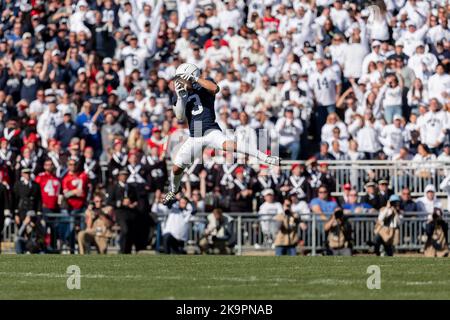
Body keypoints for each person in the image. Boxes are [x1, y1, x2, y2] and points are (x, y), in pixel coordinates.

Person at [164, 63, 279, 205]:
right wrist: (181, 98)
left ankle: (264, 157)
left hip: (210, 130)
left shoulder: (203, 85)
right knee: (176, 168)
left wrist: (195, 79)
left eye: (181, 78)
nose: (178, 82)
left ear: (189, 75)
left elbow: (215, 88)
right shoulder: (180, 94)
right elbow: (180, 117)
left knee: (230, 145)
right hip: (195, 136)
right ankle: (174, 190)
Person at [106, 169, 139, 254]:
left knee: (131, 232)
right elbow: (109, 201)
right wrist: (121, 203)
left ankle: (128, 251)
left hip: (131, 212)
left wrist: (134, 203)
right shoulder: (113, 187)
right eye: (122, 175)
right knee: (125, 230)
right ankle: (122, 250)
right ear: (119, 177)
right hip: (120, 212)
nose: (124, 177)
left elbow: (136, 199)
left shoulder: (131, 187)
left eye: (126, 175)